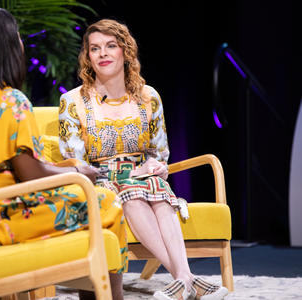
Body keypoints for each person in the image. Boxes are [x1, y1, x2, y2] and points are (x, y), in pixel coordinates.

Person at [0, 8, 127, 300]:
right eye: (17, 37)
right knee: (105, 202)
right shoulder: (10, 101)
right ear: (7, 46)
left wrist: (64, 166)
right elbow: (30, 175)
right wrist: (78, 172)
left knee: (86, 196)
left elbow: (3, 165)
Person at [59, 19, 229, 300]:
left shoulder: (149, 97)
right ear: (87, 57)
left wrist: (156, 166)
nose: (102, 53)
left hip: (142, 176)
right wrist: (117, 174)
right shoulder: (73, 101)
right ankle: (187, 279)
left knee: (156, 189)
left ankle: (182, 281)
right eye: (95, 48)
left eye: (110, 46)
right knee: (134, 193)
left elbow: (159, 151)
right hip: (98, 181)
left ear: (125, 52)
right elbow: (74, 161)